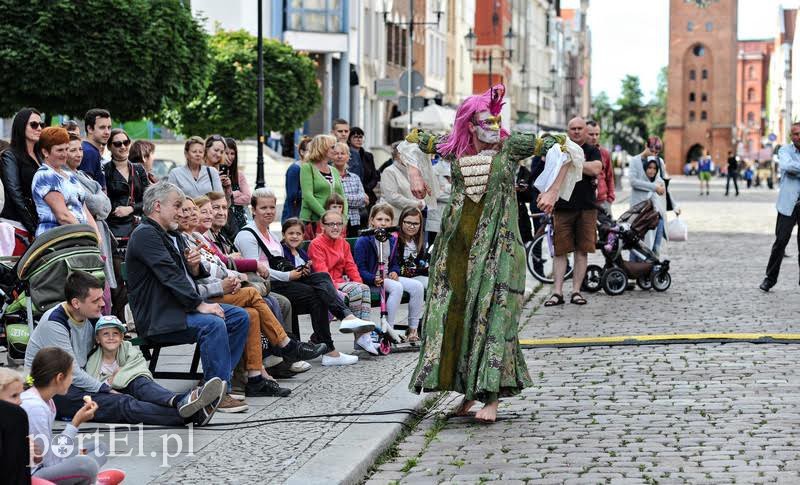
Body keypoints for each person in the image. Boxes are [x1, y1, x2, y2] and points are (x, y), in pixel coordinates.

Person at [406, 85, 571, 422]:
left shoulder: (511, 147)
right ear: (470, 124)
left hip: (500, 245)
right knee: (459, 314)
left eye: (497, 120)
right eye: (487, 121)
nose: (494, 127)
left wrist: (553, 190)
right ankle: (470, 391)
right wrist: (415, 174)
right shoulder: (453, 149)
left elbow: (564, 148)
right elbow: (410, 142)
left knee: (494, 316)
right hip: (458, 247)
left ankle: (492, 398)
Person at [24, 271, 223, 425]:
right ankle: (189, 416)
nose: (102, 304)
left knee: (137, 383)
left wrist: (125, 371)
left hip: (87, 375)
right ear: (76, 303)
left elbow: (115, 345)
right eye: (95, 300)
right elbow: (73, 372)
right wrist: (106, 388)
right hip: (54, 389)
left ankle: (181, 401)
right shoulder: (55, 323)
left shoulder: (91, 316)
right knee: (121, 403)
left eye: (101, 297)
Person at [180, 196, 326, 394]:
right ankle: (285, 345)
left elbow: (221, 264)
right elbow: (208, 271)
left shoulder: (198, 237)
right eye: (187, 210)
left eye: (195, 210)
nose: (193, 214)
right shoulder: (183, 240)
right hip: (206, 296)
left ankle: (256, 376)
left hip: (223, 288)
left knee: (252, 313)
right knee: (253, 294)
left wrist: (233, 275)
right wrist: (231, 277)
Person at [126, 181, 250, 412]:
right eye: (176, 205)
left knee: (239, 317)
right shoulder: (145, 234)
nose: (180, 212)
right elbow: (169, 275)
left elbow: (189, 274)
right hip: (158, 316)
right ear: (157, 206)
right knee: (213, 324)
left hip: (177, 309)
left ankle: (214, 383)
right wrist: (199, 304)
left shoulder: (171, 233)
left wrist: (194, 267)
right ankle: (217, 394)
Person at [235, 189, 373, 365]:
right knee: (317, 294)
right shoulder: (247, 235)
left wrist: (298, 271)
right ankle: (332, 345)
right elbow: (257, 271)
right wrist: (288, 275)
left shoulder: (272, 236)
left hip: (282, 281)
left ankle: (345, 320)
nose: (269, 211)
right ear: (253, 210)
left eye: (272, 207)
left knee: (321, 277)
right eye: (263, 208)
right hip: (267, 286)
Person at [86, 315, 224, 423]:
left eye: (115, 333)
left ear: (122, 337)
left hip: (134, 386)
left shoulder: (128, 349)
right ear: (97, 339)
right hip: (112, 395)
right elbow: (93, 384)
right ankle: (193, 414)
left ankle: (179, 400)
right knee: (135, 406)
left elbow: (137, 368)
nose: (111, 337)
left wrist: (116, 377)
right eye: (105, 334)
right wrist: (111, 382)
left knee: (140, 382)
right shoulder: (93, 360)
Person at [22, 347, 126, 485]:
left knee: (99, 448)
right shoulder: (35, 408)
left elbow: (52, 452)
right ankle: (93, 480)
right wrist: (73, 463)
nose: (72, 380)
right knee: (86, 465)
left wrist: (76, 421)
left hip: (48, 461)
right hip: (34, 475)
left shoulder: (47, 401)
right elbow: (47, 462)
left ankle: (88, 478)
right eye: (71, 375)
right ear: (60, 378)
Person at [544, 117, 603, 307]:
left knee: (582, 251)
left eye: (580, 128)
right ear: (568, 131)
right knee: (560, 252)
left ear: (585, 130)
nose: (577, 131)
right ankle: (557, 292)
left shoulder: (592, 150)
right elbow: (550, 172)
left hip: (586, 207)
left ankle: (576, 291)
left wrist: (574, 161)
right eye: (573, 128)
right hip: (562, 208)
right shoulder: (560, 149)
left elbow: (596, 169)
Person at [308, 209, 381, 355]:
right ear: (323, 226)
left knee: (363, 288)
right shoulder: (316, 244)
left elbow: (351, 267)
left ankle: (364, 336)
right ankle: (360, 337)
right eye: (331, 224)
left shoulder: (343, 243)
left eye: (339, 224)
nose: (335, 227)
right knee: (355, 290)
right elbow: (323, 274)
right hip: (324, 286)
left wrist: (359, 283)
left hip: (340, 282)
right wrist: (343, 289)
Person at [355, 204, 425, 343]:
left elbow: (394, 263)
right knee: (396, 287)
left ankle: (413, 329)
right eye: (379, 219)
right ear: (372, 220)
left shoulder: (391, 239)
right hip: (373, 279)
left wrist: (394, 271)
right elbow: (360, 268)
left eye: (387, 220)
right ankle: (389, 329)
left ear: (392, 222)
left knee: (417, 286)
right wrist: (373, 278)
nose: (383, 223)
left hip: (388, 277)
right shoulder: (364, 240)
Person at [66, 134, 117, 315]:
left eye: (80, 149)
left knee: (105, 291)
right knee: (93, 290)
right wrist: (100, 201)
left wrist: (100, 203)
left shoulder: (83, 175)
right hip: (86, 239)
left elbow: (106, 205)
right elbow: (96, 204)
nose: (78, 154)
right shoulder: (66, 178)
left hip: (99, 232)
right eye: (72, 150)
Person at [31, 127, 101, 239]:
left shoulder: (70, 176)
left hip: (78, 237)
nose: (64, 154)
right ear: (45, 152)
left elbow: (84, 209)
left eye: (66, 149)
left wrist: (96, 236)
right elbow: (63, 216)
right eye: (59, 150)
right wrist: (86, 235)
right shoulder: (45, 175)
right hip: (56, 239)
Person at [760, 122, 800, 292]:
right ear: (791, 136)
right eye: (795, 134)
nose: (798, 137)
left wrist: (796, 170)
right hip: (788, 205)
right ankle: (769, 279)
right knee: (780, 242)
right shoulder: (784, 150)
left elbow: (793, 169)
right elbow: (787, 166)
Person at [0, 107, 43, 248]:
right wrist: (34, 229)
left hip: (40, 226)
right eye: (34, 124)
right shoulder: (9, 155)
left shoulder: (40, 156)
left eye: (41, 124)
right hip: (17, 227)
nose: (39, 128)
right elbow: (15, 194)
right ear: (21, 126)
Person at [103, 129, 150, 239]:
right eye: (117, 144)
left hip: (138, 225)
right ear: (109, 147)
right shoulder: (104, 170)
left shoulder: (138, 169)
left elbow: (149, 199)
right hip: (114, 228)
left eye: (126, 142)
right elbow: (104, 203)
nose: (123, 147)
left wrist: (131, 208)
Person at [299, 134, 348, 235]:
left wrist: (344, 217)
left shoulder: (334, 170)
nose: (335, 150)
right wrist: (326, 216)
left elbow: (343, 196)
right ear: (322, 148)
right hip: (313, 221)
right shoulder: (307, 167)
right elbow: (308, 196)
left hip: (334, 223)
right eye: (332, 147)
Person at [380, 141, 427, 224]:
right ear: (398, 155)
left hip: (412, 217)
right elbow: (392, 197)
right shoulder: (389, 171)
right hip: (394, 217)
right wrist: (415, 204)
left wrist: (422, 202)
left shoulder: (413, 172)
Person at [0, 368, 30, 485]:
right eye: (14, 396)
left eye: (20, 395)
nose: (20, 401)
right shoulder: (15, 416)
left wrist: (32, 455)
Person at [333, 141, 369, 237]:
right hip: (335, 222)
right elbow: (332, 199)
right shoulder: (329, 176)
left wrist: (343, 198)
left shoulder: (355, 177)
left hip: (355, 221)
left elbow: (363, 201)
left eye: (342, 153)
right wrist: (357, 199)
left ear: (348, 157)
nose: (339, 156)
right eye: (336, 153)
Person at [396, 206, 430, 290]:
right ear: (401, 222)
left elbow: (421, 265)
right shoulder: (395, 240)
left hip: (415, 276)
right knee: (418, 286)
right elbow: (397, 267)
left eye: (416, 224)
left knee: (433, 283)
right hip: (399, 276)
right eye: (408, 222)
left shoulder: (420, 241)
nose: (412, 227)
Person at [222, 137, 251, 238]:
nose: (229, 157)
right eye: (226, 153)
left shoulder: (239, 175)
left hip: (239, 221)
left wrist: (231, 197)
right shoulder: (214, 173)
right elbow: (219, 199)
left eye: (232, 153)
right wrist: (237, 193)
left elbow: (248, 198)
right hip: (223, 221)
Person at [586, 120, 615, 213]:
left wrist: (610, 198)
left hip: (603, 202)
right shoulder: (579, 152)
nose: (594, 137)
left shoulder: (605, 153)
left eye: (597, 134)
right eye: (591, 134)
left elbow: (610, 177)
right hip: (584, 202)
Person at [281, 135, 311, 223]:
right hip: (294, 216)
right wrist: (311, 192)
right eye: (310, 150)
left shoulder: (313, 168)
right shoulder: (295, 169)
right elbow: (292, 195)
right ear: (302, 152)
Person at [80, 108, 111, 188]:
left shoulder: (91, 150)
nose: (107, 132)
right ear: (90, 129)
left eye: (109, 127)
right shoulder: (89, 152)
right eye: (102, 127)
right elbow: (88, 188)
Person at [348, 127, 380, 206]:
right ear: (349, 139)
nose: (358, 140)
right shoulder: (346, 155)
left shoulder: (368, 156)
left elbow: (374, 176)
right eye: (355, 137)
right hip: (351, 194)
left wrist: (366, 188)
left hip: (368, 194)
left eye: (361, 137)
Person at [515, 160, 534, 245]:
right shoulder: (501, 169)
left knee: (523, 242)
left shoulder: (525, 172)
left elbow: (530, 197)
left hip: (521, 212)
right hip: (503, 210)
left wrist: (523, 190)